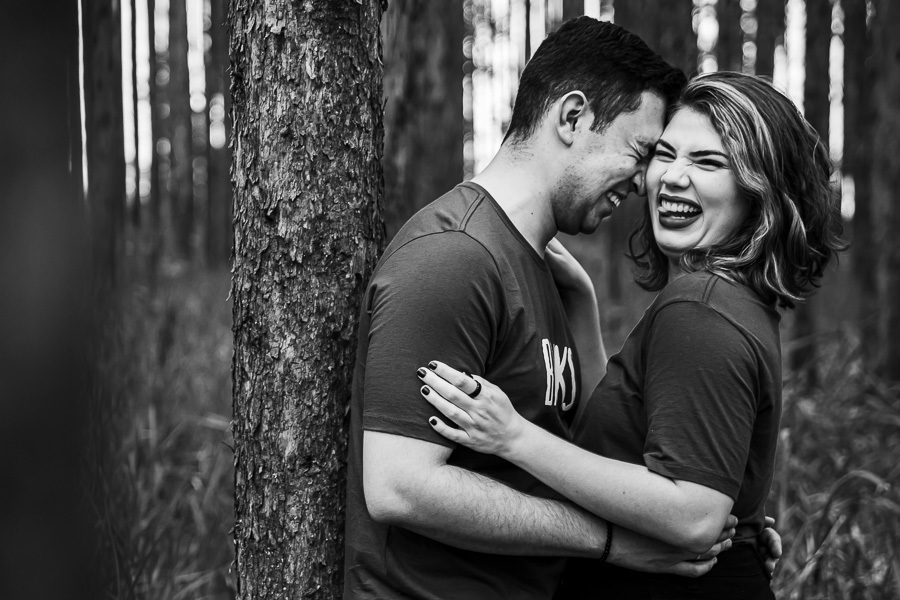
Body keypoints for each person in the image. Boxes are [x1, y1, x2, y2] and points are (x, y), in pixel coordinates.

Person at [341, 16, 761, 600]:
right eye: (641, 152)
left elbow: (579, 447)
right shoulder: (453, 258)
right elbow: (400, 487)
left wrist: (733, 529)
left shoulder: (541, 270)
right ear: (572, 117)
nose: (646, 183)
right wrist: (607, 540)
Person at [417, 71, 845, 598]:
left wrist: (515, 437)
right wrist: (581, 301)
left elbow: (693, 516)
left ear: (761, 192)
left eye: (708, 162)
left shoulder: (701, 311)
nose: (670, 177)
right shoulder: (734, 302)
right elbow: (634, 442)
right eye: (664, 154)